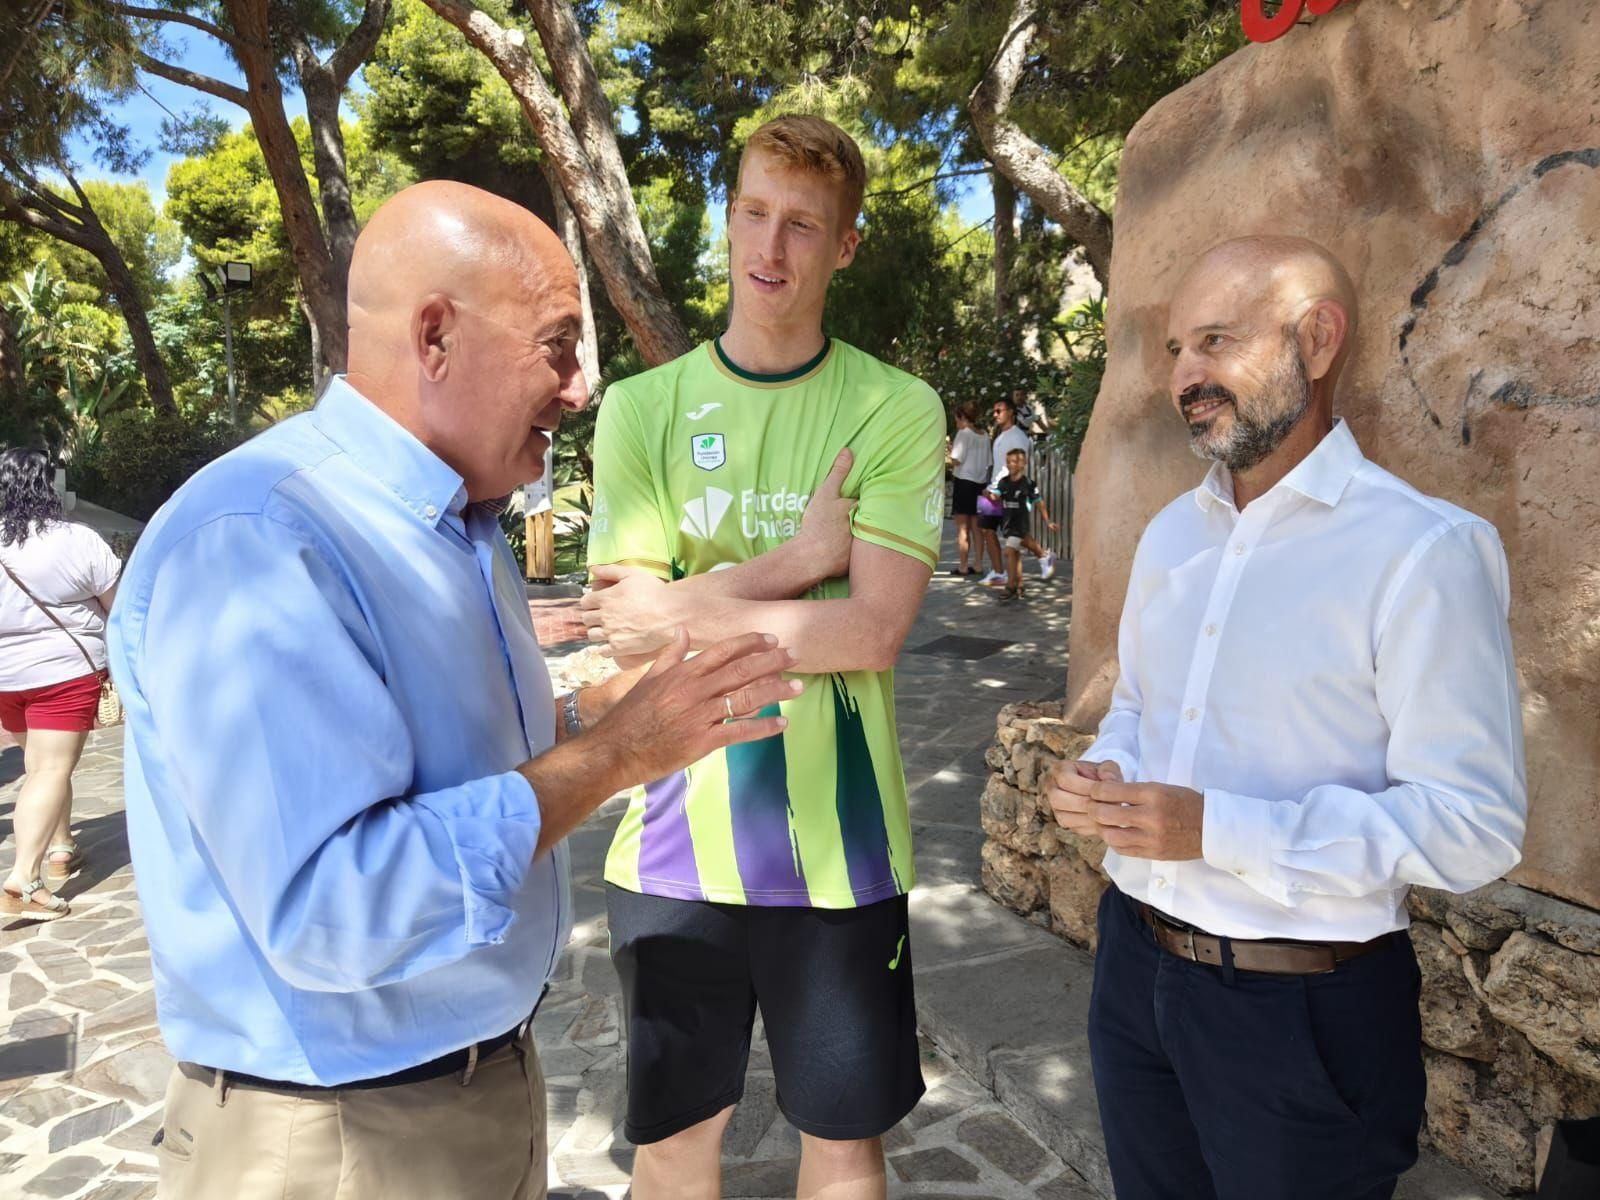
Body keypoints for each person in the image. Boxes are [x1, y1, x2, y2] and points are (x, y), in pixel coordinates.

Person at [107, 181, 796, 1200]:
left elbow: (433, 769)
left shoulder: (458, 525)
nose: (577, 390)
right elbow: (335, 907)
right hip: (339, 1136)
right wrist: (615, 757)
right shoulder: (260, 540)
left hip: (465, 1094)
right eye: (558, 346)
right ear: (435, 336)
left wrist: (593, 715)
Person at [1045, 236, 1526, 1200]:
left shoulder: (1423, 551)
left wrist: (1217, 831)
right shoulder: (1173, 532)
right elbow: (1139, 705)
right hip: (1134, 972)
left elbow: (1475, 825)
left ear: (1316, 340)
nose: (1186, 376)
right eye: (1178, 349)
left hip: (1303, 1011)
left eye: (1216, 341)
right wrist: (1108, 768)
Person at [578, 115, 945, 1200]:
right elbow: (622, 628)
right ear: (726, 214)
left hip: (840, 855)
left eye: (802, 225)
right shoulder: (640, 410)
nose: (769, 248)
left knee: (841, 1147)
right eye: (752, 213)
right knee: (675, 1147)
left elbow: (868, 631)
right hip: (670, 843)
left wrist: (678, 611)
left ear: (844, 247)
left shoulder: (893, 407)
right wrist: (799, 559)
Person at [0, 447, 120, 920]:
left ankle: (62, 846)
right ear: (48, 485)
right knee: (49, 770)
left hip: (6, 677)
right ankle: (23, 880)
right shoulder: (76, 540)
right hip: (63, 674)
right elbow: (120, 605)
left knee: (41, 766)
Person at [979, 392, 1055, 584]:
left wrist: (1003, 490)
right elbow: (998, 466)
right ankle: (998, 572)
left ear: (1011, 412)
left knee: (1015, 533)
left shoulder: (1017, 437)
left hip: (1009, 491)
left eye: (999, 411)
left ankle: (1044, 556)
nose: (995, 415)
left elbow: (1019, 465)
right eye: (994, 411)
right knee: (987, 529)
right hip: (995, 490)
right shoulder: (1000, 437)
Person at [987, 447, 1059, 602]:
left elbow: (1039, 504)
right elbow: (995, 495)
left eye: (1014, 462)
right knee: (1015, 554)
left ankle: (1010, 587)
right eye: (1008, 462)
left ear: (1023, 464)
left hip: (1020, 523)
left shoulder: (1028, 484)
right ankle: (1021, 584)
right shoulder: (1003, 482)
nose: (1010, 465)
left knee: (1008, 551)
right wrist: (989, 495)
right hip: (1008, 523)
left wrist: (1048, 521)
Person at [946, 402, 991, 576]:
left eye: (957, 418)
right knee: (977, 527)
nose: (956, 422)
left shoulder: (963, 434)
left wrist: (950, 451)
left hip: (964, 483)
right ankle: (978, 564)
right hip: (981, 484)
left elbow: (957, 460)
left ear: (963, 417)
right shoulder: (984, 435)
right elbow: (988, 462)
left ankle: (963, 566)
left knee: (963, 528)